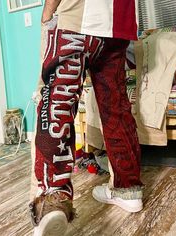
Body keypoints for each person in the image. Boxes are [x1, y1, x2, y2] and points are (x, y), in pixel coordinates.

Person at [29, 0, 143, 235]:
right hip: (117, 27)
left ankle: (53, 200)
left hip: (76, 19)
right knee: (116, 109)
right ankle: (128, 189)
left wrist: (48, 12)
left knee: (58, 105)